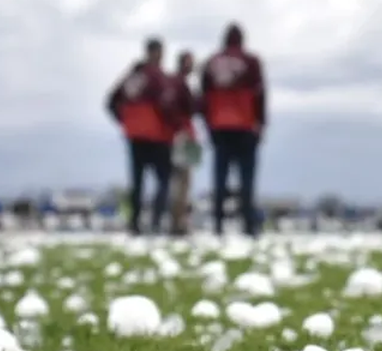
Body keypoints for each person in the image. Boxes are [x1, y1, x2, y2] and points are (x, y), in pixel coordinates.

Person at [106, 37, 186, 235]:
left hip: (135, 136)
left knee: (137, 181)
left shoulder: (131, 77)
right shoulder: (157, 77)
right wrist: (176, 126)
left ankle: (135, 223)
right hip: (158, 136)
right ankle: (156, 221)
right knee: (163, 179)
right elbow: (167, 105)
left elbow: (111, 101)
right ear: (158, 53)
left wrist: (126, 121)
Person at [200, 22, 266, 237]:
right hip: (245, 126)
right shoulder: (251, 62)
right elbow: (260, 94)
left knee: (220, 177)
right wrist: (261, 124)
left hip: (219, 126)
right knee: (246, 179)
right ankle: (247, 224)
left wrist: (208, 124)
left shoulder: (211, 63)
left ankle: (218, 224)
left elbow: (203, 99)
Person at [168, 50, 201, 235]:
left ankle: (179, 220)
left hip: (183, 134)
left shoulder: (176, 83)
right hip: (184, 135)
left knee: (182, 182)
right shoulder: (182, 84)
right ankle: (179, 222)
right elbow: (194, 106)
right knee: (183, 182)